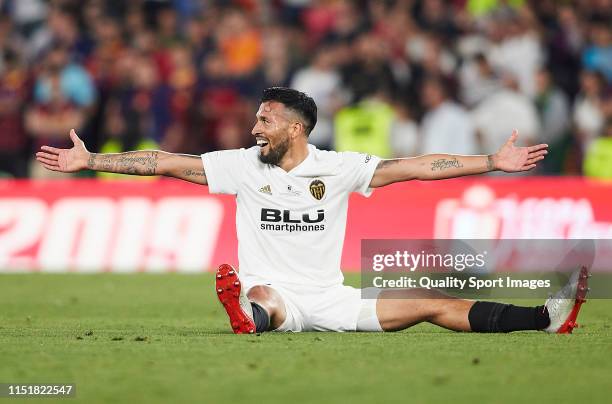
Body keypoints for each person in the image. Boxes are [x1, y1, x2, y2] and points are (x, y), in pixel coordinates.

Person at [36, 87, 588, 335]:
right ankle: (244, 315)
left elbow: (420, 165)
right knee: (265, 299)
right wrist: (92, 162)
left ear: (295, 128)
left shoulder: (340, 168)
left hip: (335, 297)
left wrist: (491, 160)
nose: (255, 129)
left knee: (432, 303)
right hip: (275, 288)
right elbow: (164, 161)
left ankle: (544, 318)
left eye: (265, 121)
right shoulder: (241, 165)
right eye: (256, 120)